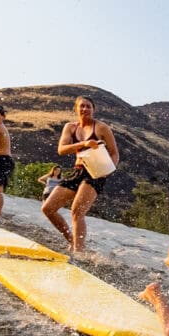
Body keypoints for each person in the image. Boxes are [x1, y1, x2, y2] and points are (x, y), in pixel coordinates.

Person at [42, 95, 119, 253]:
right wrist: (84, 143)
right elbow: (61, 149)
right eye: (82, 106)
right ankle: (72, 239)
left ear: (93, 109)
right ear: (75, 109)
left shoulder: (101, 128)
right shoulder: (70, 127)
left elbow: (114, 153)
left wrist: (106, 172)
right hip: (77, 170)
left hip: (95, 173)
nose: (85, 109)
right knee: (48, 208)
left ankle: (79, 252)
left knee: (77, 211)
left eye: (88, 106)